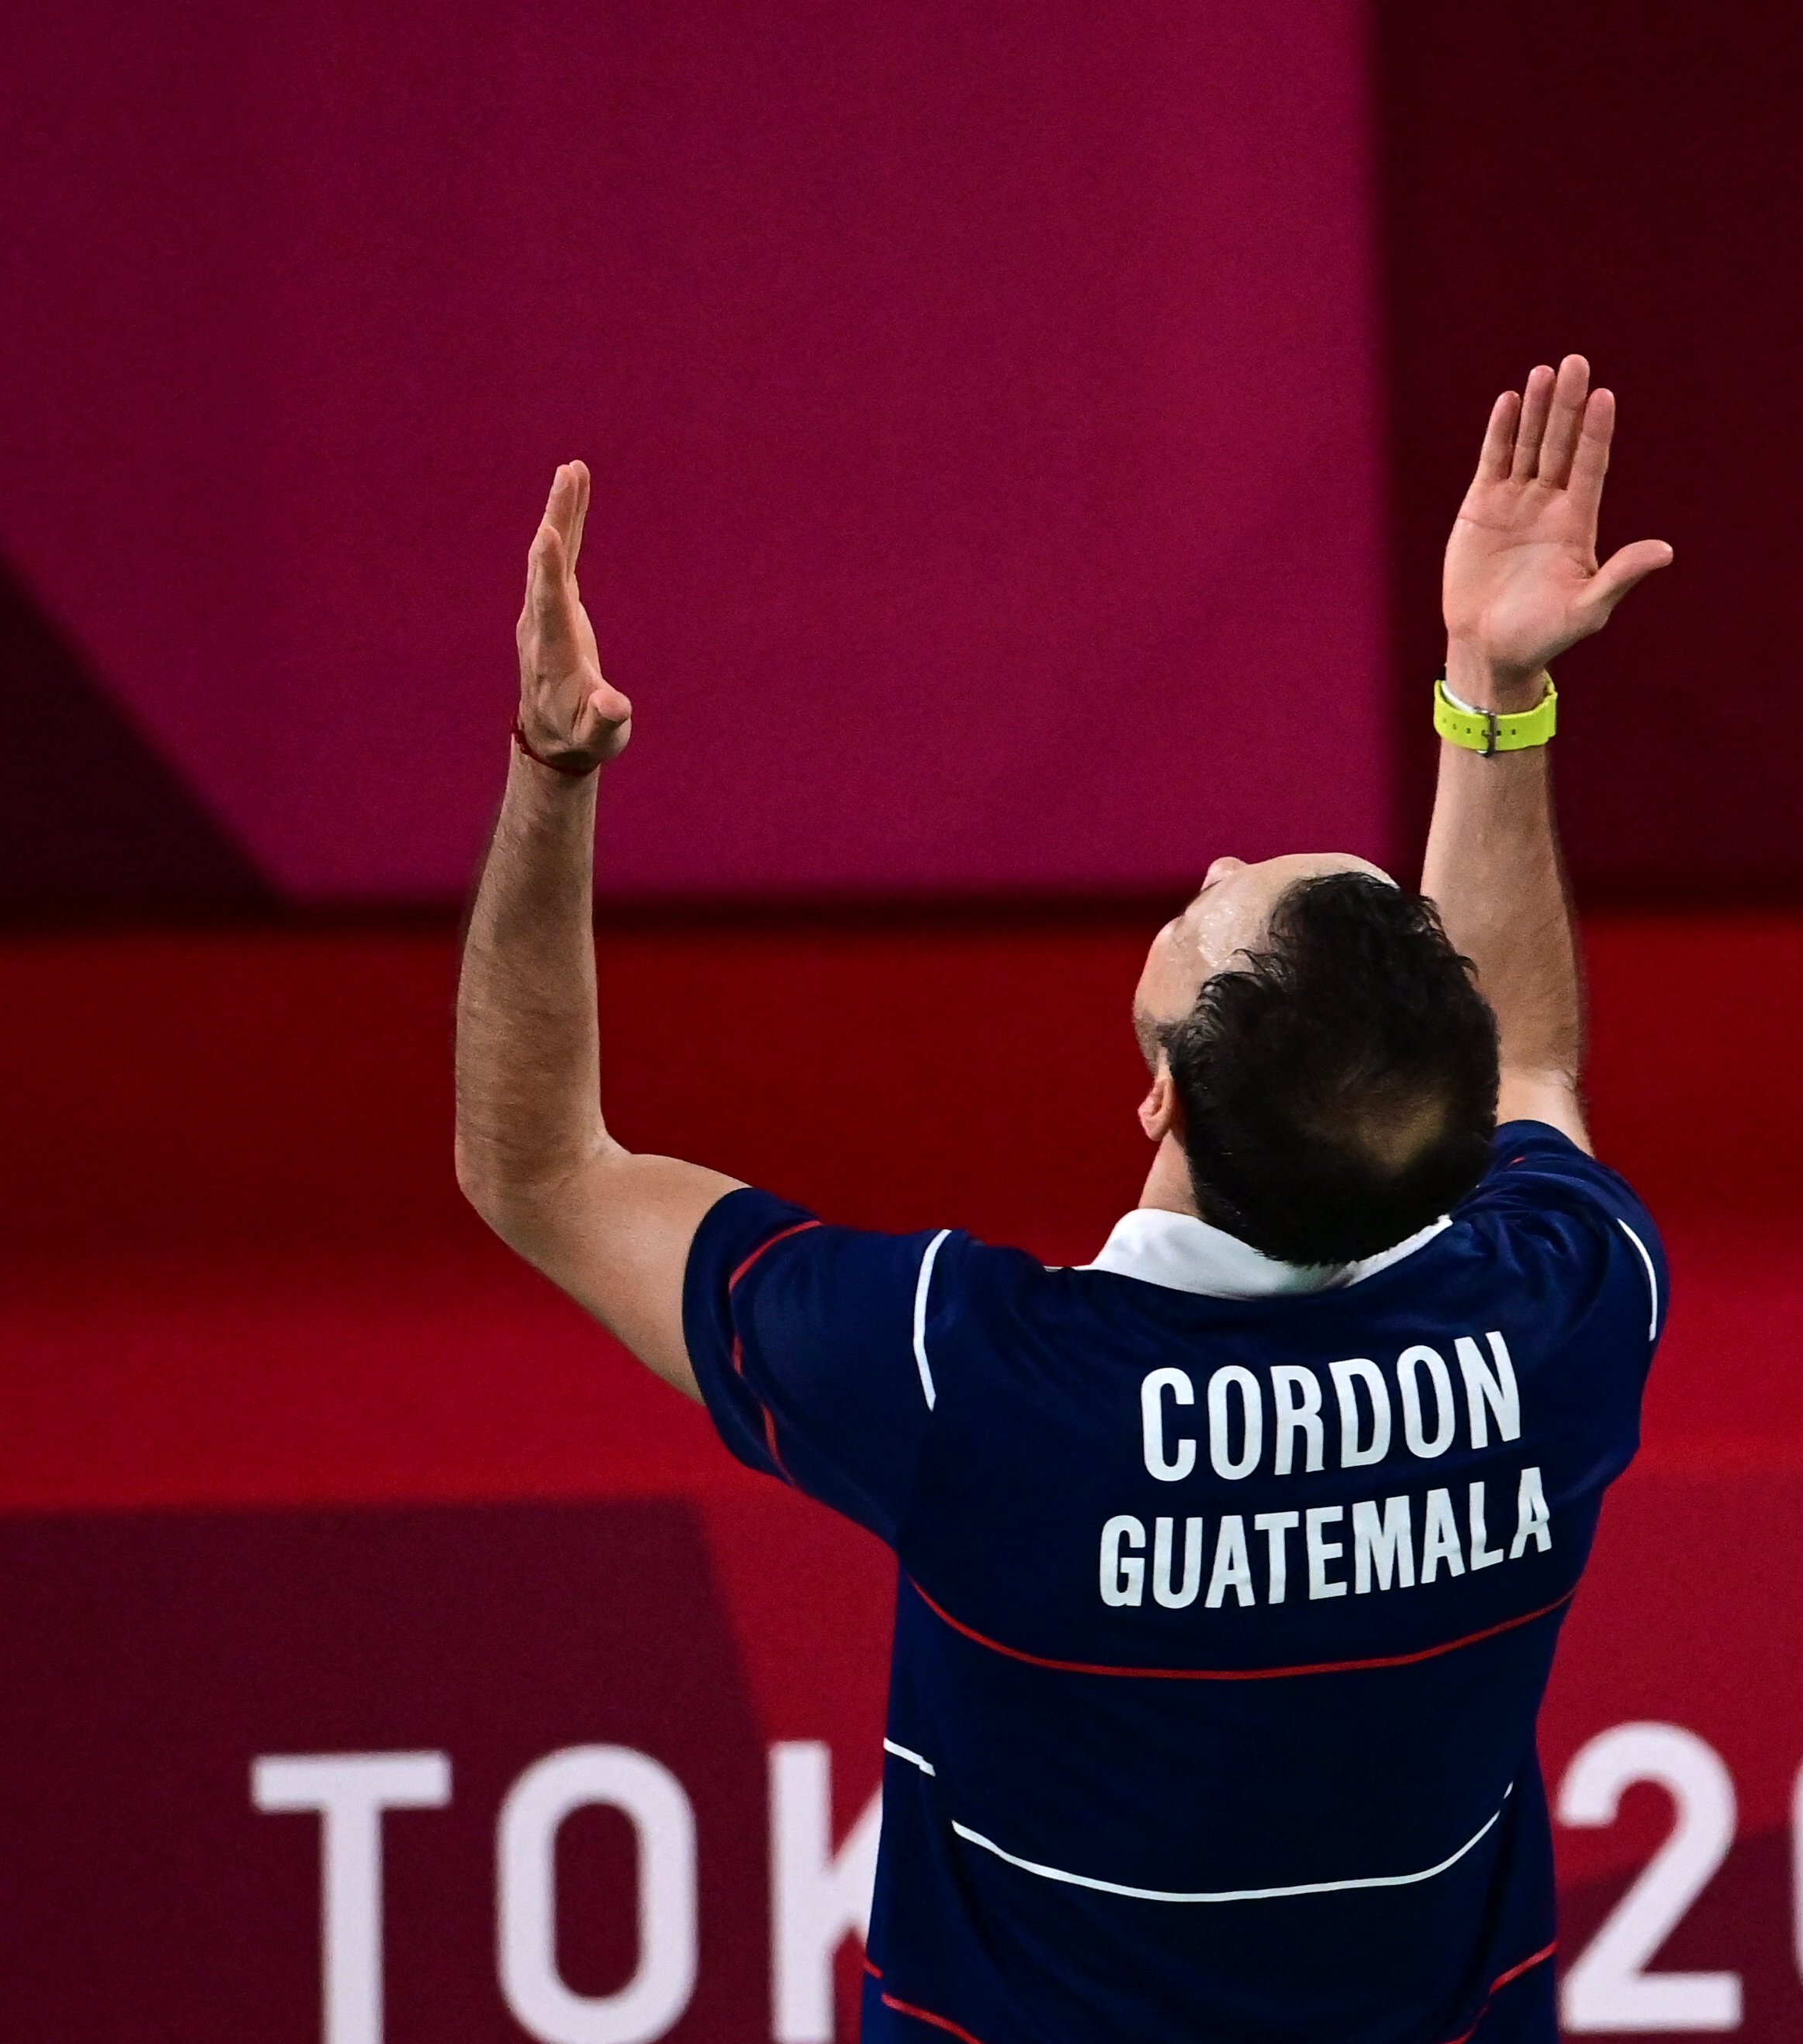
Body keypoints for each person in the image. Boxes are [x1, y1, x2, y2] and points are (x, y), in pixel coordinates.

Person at [455, 357, 1674, 2039]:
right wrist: (1492, 694)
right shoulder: (1552, 1330)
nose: (1224, 862)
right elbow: (1527, 1067)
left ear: (1163, 1090)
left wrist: (549, 780)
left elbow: (538, 1170)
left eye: (1222, 906)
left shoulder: (984, 1388)